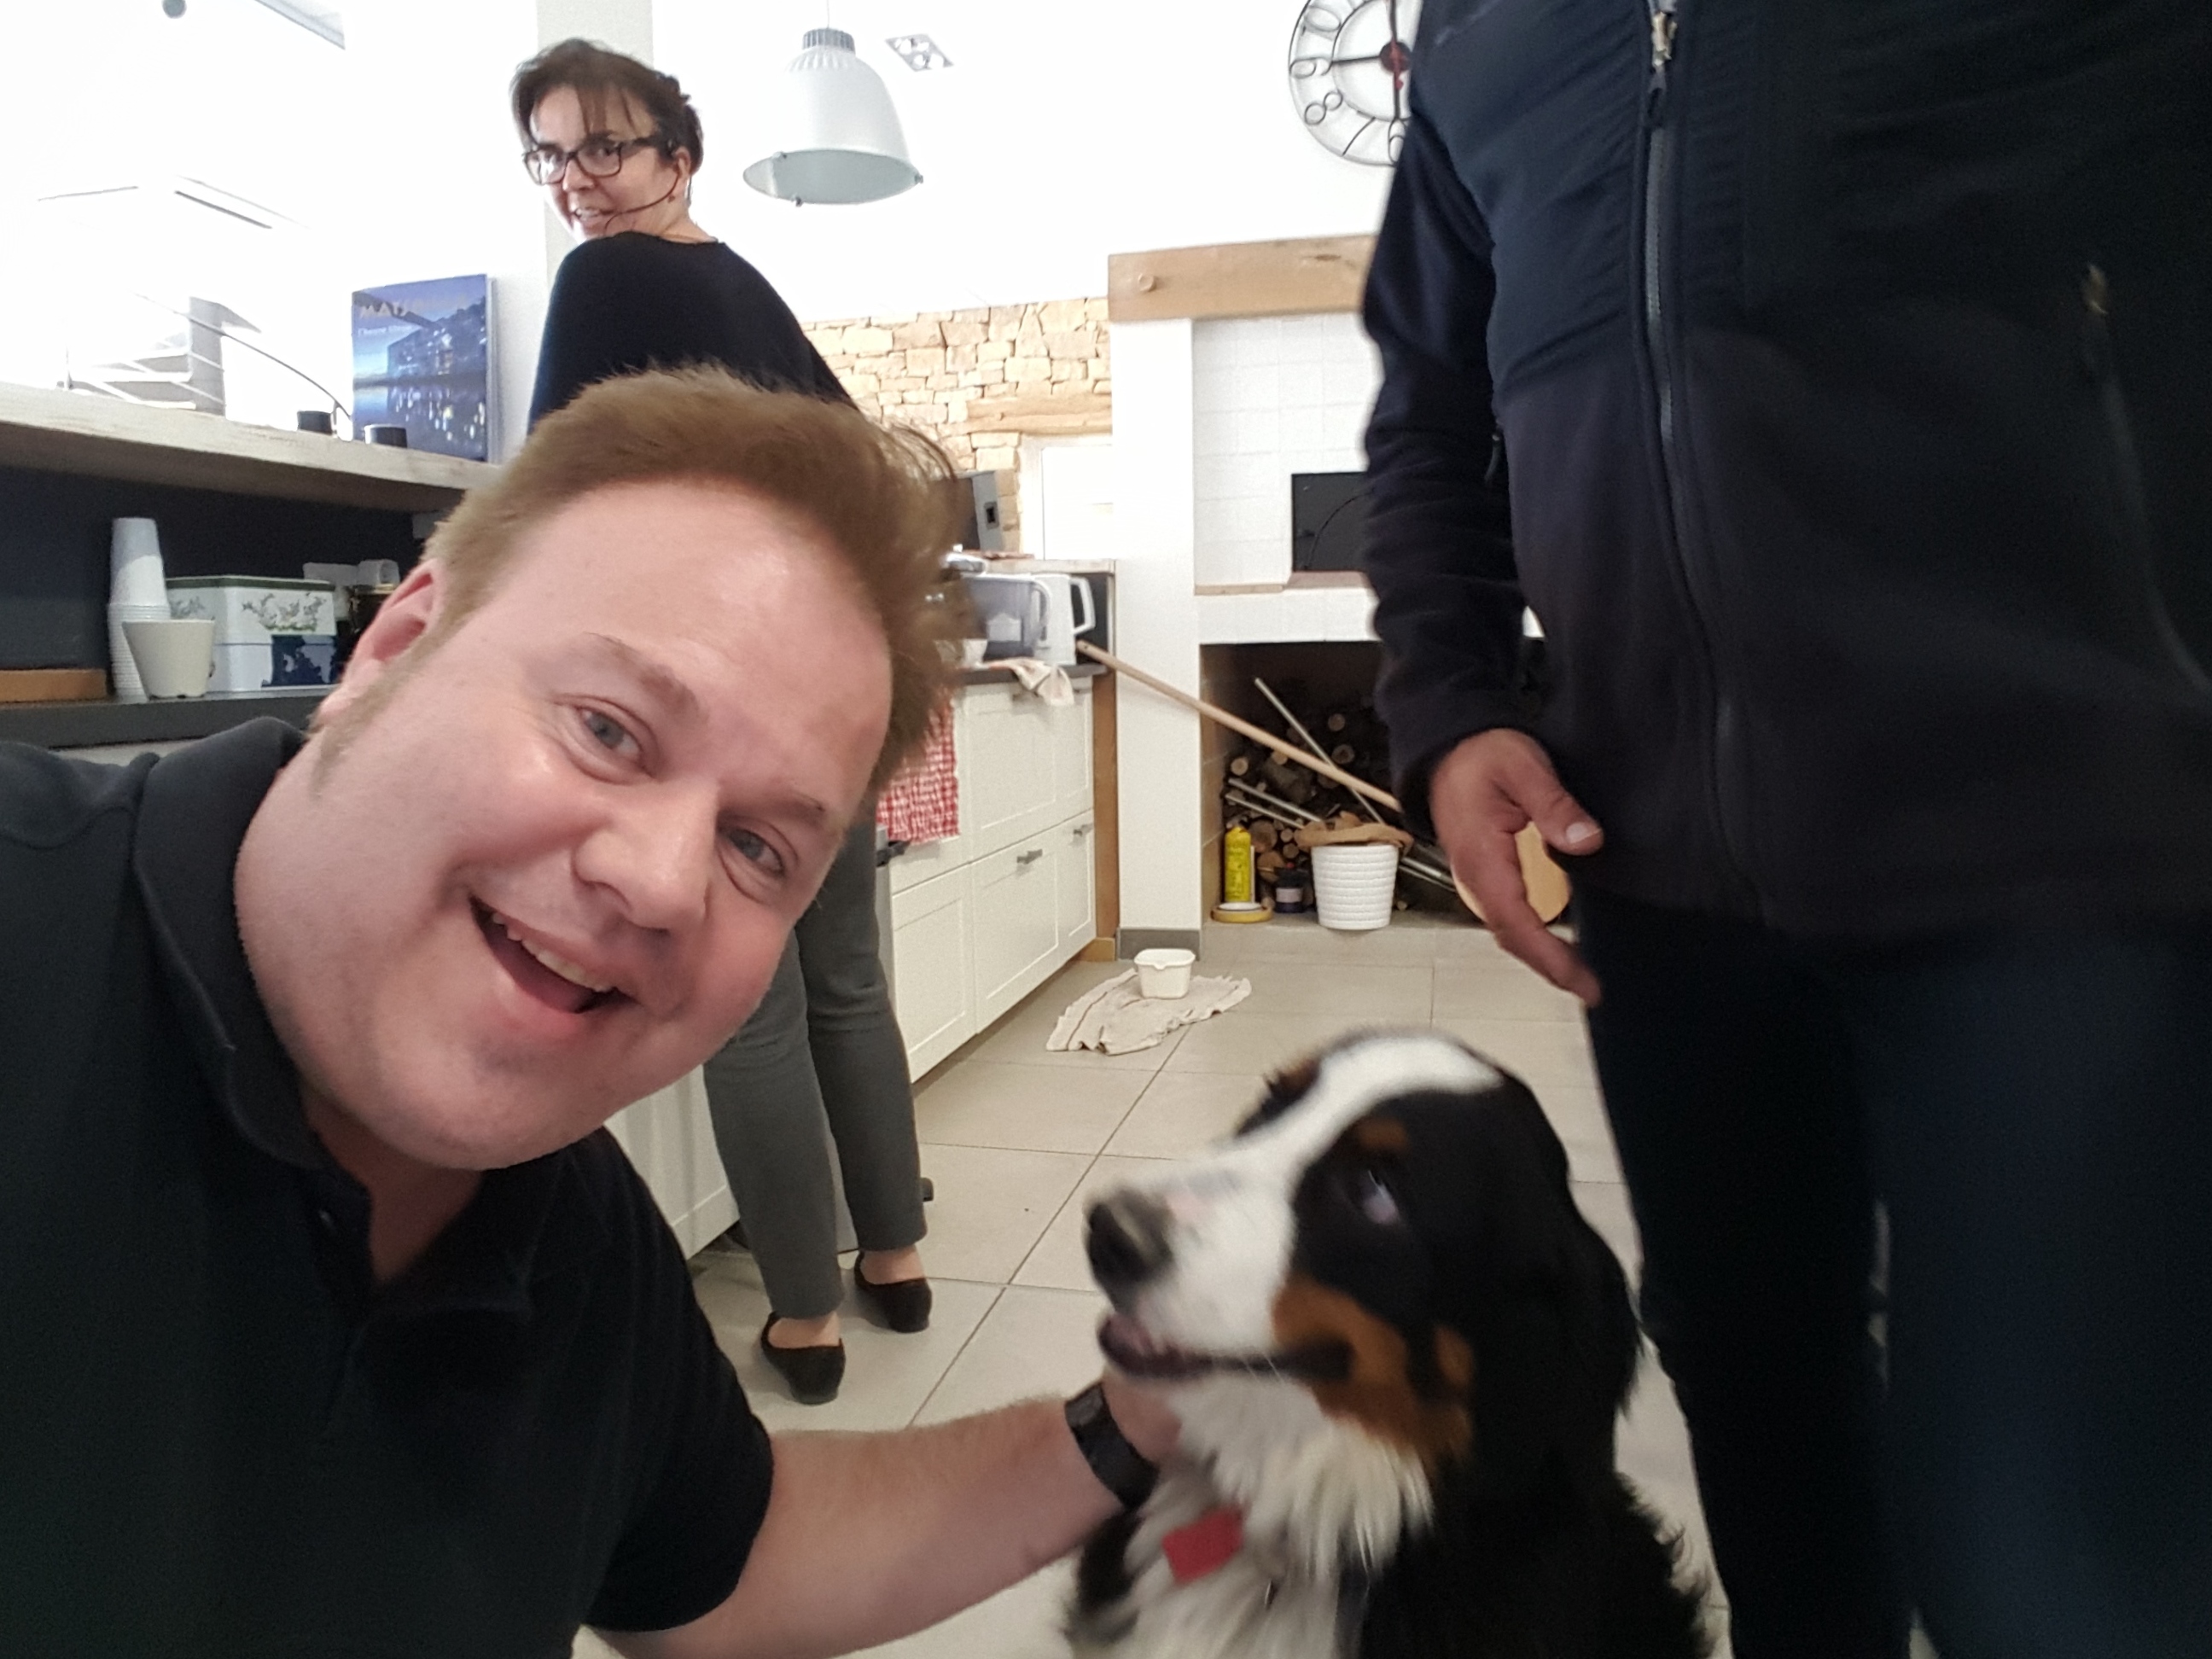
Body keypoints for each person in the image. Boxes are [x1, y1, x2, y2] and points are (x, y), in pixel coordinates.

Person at [0, 370, 1175, 1654]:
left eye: (757, 848)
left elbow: (732, 1562)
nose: (663, 882)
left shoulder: (575, 1241)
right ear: (394, 648)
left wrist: (1149, 1421)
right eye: (609, 732)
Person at [1359, 6, 2211, 1659]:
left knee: (2046, 1553)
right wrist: (1450, 704)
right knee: (1767, 1435)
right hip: (1664, 893)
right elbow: (1430, 411)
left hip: (2059, 870)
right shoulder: (1471, 35)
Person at [515, 38, 932, 1406]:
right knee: (849, 983)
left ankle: (806, 1316)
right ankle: (895, 1257)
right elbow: (873, 471)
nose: (576, 180)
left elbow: (554, 484)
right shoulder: (745, 285)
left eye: (605, 146)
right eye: (550, 153)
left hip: (708, 696)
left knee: (751, 1008)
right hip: (827, 692)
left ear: (677, 157)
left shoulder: (604, 278)